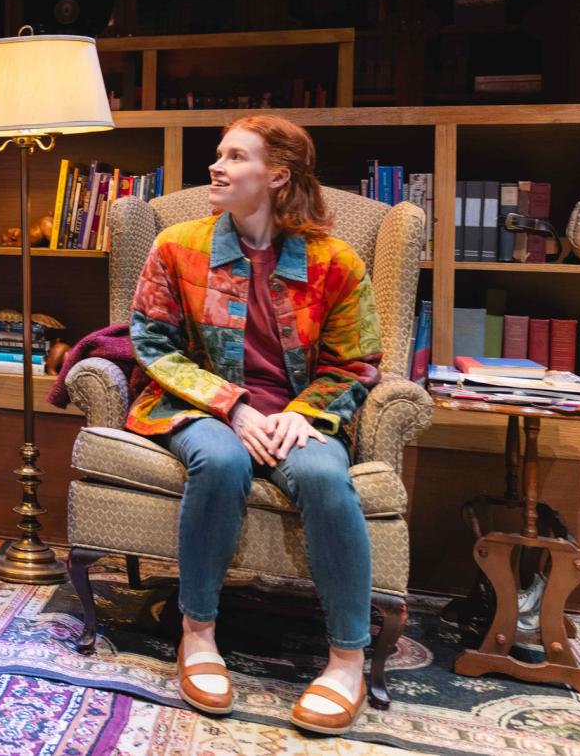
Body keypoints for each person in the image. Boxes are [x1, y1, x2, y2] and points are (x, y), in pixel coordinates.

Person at [124, 115, 382, 734]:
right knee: (223, 458)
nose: (217, 166)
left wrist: (302, 415)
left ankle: (348, 659)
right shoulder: (177, 245)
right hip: (196, 404)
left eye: (236, 157)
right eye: (219, 154)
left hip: (297, 412)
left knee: (323, 475)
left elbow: (356, 363)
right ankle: (198, 633)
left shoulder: (334, 261)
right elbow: (151, 343)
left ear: (277, 175)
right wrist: (232, 407)